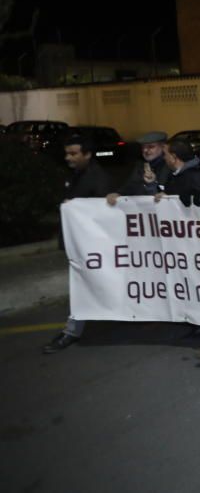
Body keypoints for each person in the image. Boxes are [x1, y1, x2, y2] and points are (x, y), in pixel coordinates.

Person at [43, 135, 112, 354]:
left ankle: (71, 331)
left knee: (81, 286)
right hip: (79, 244)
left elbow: (104, 215)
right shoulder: (76, 175)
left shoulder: (99, 179)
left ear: (88, 154)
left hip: (89, 247)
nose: (68, 158)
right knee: (85, 286)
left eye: (73, 153)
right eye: (67, 153)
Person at [106, 131, 171, 204]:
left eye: (151, 147)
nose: (145, 150)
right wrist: (118, 194)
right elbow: (131, 186)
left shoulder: (169, 166)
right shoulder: (141, 165)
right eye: (143, 147)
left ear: (163, 147)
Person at [157, 139, 200, 203]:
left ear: (173, 157)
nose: (164, 157)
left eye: (165, 154)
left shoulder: (197, 177)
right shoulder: (173, 175)